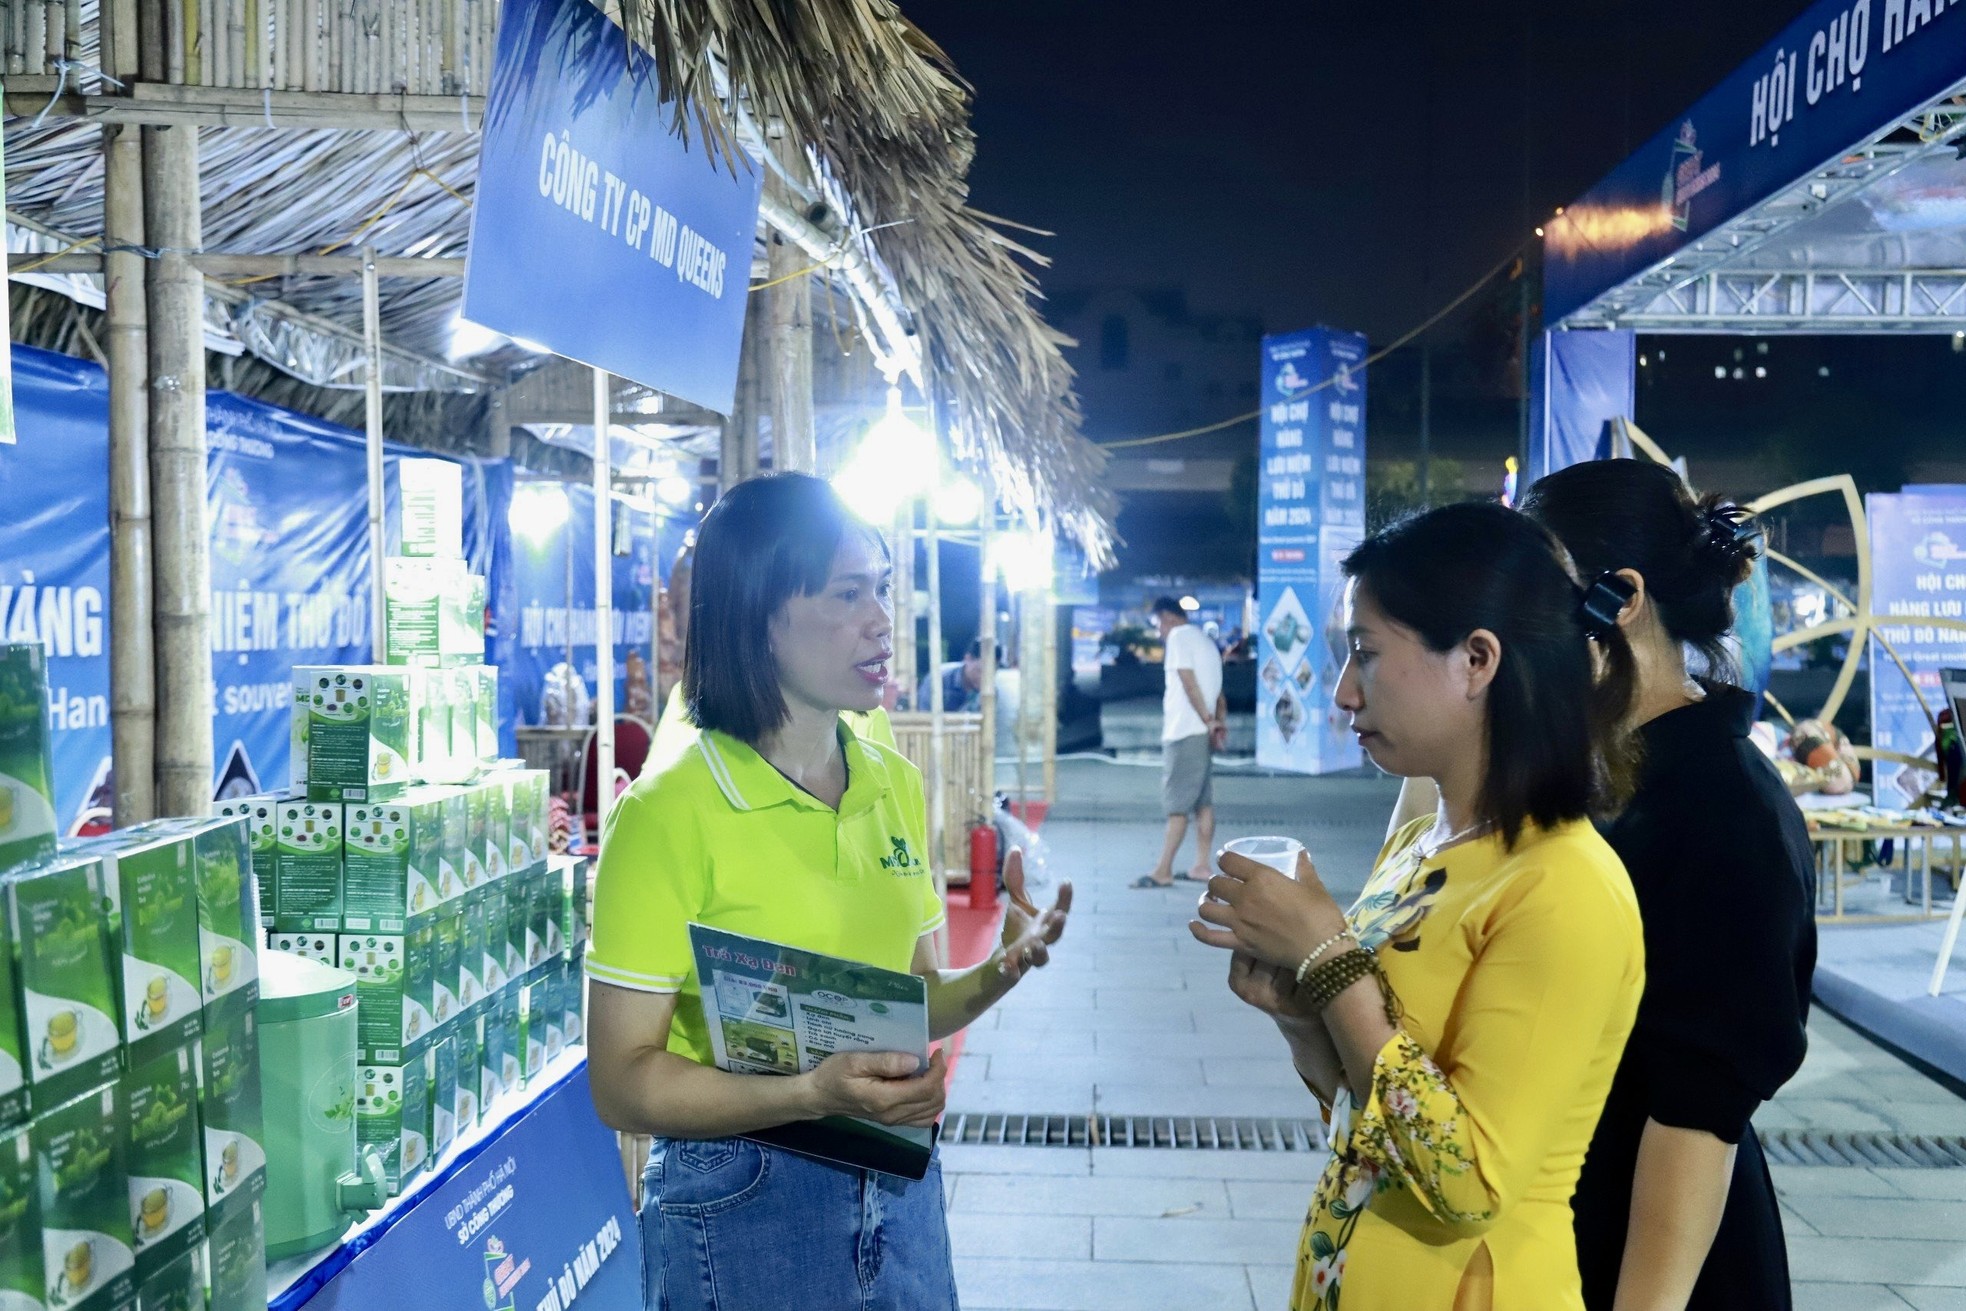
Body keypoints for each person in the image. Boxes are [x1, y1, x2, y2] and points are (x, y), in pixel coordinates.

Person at [583, 474, 1072, 1311]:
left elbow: (910, 1001)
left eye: (881, 588)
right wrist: (809, 1093)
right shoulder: (667, 811)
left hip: (900, 1182)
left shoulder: (892, 783)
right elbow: (620, 1081)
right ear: (760, 615)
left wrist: (1002, 965)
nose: (881, 620)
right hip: (741, 1199)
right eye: (849, 594)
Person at [1191, 502, 1645, 1310]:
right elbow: (1371, 1116)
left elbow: (1467, 1180)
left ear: (1476, 659)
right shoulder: (1419, 850)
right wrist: (1300, 1009)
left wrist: (1330, 955)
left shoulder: (1565, 886)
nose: (1341, 691)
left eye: (1365, 653)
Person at [1523, 459, 1815, 1311]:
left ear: (1621, 598)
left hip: (1657, 1267)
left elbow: (1698, 1112)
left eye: (1535, 606)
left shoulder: (1726, 808)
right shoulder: (1607, 774)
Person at [1133, 596, 1227, 888]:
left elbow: (1187, 681)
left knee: (1176, 804)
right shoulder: (1206, 642)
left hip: (1185, 731)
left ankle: (1163, 869)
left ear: (1168, 617)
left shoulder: (1179, 637)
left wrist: (1207, 720)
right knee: (1203, 802)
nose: (1158, 631)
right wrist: (1217, 722)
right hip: (1202, 732)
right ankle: (1201, 864)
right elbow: (1219, 692)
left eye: (1157, 623)